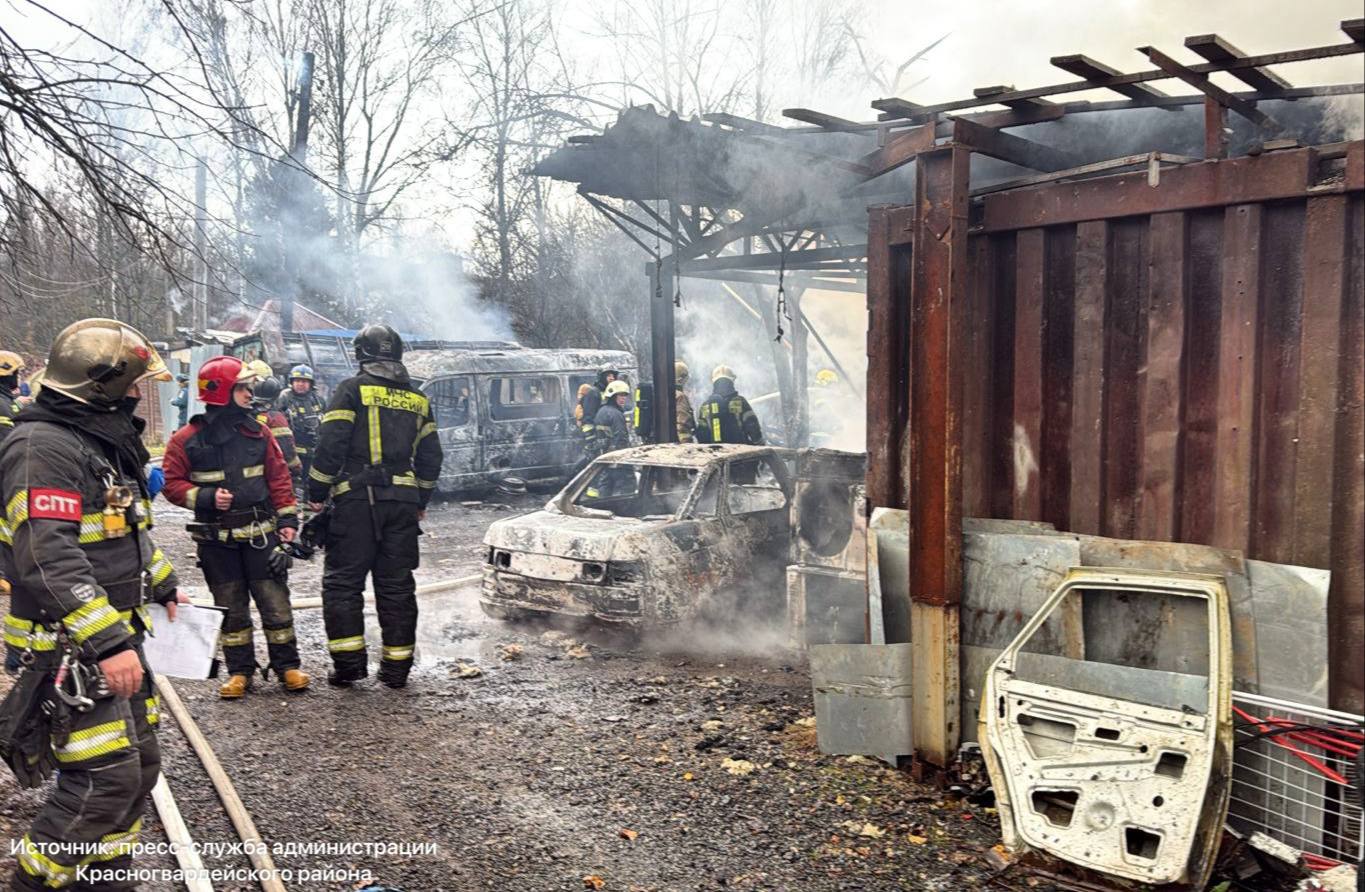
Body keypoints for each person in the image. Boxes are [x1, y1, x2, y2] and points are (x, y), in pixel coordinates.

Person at [0, 319, 185, 891]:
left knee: (139, 768)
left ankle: (105, 881)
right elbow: (48, 557)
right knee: (104, 778)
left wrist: (162, 580)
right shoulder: (42, 447)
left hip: (109, 634)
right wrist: (107, 643)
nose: (137, 394)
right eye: (130, 383)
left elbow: (116, 531)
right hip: (67, 647)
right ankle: (32, 882)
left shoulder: (91, 441)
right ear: (99, 386)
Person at [162, 355, 309, 699]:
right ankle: (240, 671)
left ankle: (287, 665)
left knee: (275, 603)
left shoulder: (259, 433)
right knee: (231, 607)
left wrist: (288, 521)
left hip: (261, 535)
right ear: (222, 391)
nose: (249, 393)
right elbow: (171, 484)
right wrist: (206, 497)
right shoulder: (186, 439)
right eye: (243, 387)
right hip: (217, 541)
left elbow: (279, 478)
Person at [307, 324, 443, 689]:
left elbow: (331, 444)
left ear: (361, 354)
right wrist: (421, 499)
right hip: (402, 505)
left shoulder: (351, 390)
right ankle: (397, 670)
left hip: (356, 503)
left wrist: (316, 490)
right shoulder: (418, 399)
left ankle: (349, 667)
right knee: (397, 586)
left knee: (342, 585)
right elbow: (432, 458)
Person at [246, 361, 303, 481]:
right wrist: (296, 468)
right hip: (268, 478)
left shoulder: (234, 412)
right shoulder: (274, 418)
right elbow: (286, 448)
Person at [278, 364, 325, 486]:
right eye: (297, 380)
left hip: (313, 452)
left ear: (310, 383)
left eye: (304, 381)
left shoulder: (318, 400)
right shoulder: (284, 398)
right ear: (291, 382)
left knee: (310, 483)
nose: (300, 384)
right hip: (292, 452)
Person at [696, 365, 764, 445]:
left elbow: (702, 433)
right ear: (732, 381)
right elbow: (752, 426)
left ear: (714, 382)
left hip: (715, 452)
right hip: (740, 450)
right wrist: (759, 443)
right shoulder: (740, 401)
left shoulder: (706, 405)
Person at [0, 350, 25, 440]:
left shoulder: (9, 399)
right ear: (8, 374)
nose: (19, 376)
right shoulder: (2, 404)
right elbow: (6, 438)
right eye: (17, 373)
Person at [674, 361, 696, 443]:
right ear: (680, 380)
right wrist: (687, 448)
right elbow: (683, 425)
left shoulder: (663, 396)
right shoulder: (680, 397)